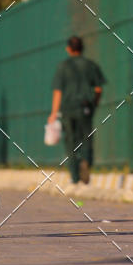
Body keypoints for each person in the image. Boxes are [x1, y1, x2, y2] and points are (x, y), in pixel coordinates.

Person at [48, 36, 106, 185]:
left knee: (71, 141)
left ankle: (75, 177)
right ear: (82, 48)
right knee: (87, 138)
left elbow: (58, 91)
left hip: (67, 109)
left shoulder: (63, 67)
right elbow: (98, 89)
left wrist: (54, 113)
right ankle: (86, 161)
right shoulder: (91, 65)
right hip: (85, 107)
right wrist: (94, 104)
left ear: (68, 49)